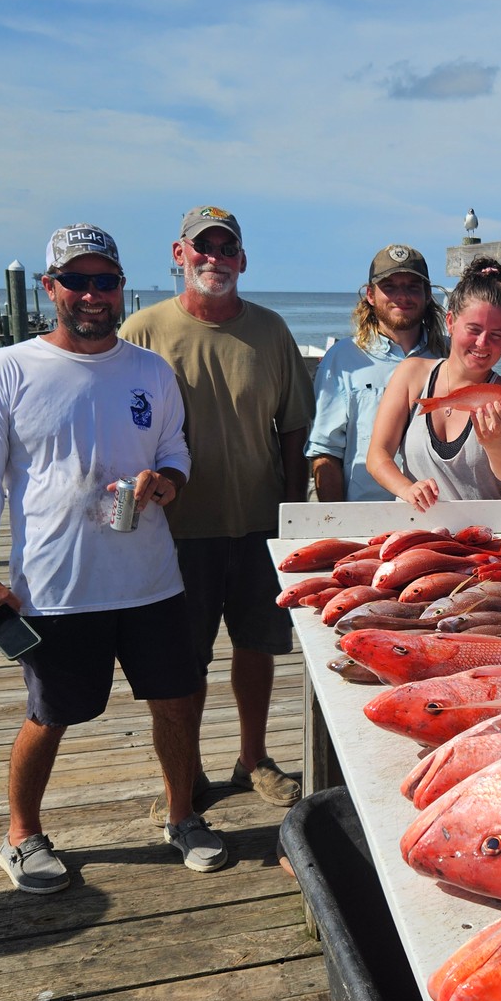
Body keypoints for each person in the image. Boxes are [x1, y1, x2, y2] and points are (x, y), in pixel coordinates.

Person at [0, 223, 226, 893]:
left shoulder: (149, 370)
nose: (92, 294)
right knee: (50, 715)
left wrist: (167, 482)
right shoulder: (7, 370)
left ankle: (182, 816)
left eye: (105, 281)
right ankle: (21, 835)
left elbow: (175, 451)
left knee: (177, 700)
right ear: (50, 288)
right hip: (55, 588)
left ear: (119, 287)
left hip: (151, 582)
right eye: (76, 280)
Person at [119, 206, 313, 822]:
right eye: (202, 248)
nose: (214, 258)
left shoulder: (272, 330)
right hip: (173, 531)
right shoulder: (142, 330)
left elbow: (294, 430)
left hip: (259, 523)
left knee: (257, 647)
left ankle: (252, 758)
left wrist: (290, 513)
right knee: (184, 659)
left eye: (226, 248)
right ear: (179, 255)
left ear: (243, 260)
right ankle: (189, 771)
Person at [366, 256, 501, 510]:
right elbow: (377, 456)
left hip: (483, 535)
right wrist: (407, 489)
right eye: (473, 330)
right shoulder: (412, 374)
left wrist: (494, 443)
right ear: (451, 322)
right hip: (418, 531)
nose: (483, 343)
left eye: (496, 334)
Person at [305, 245, 448, 501]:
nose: (401, 296)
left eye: (413, 286)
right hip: (367, 516)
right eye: (389, 286)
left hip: (439, 515)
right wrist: (338, 524)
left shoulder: (450, 357)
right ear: (370, 295)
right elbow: (325, 451)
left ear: (428, 295)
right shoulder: (342, 358)